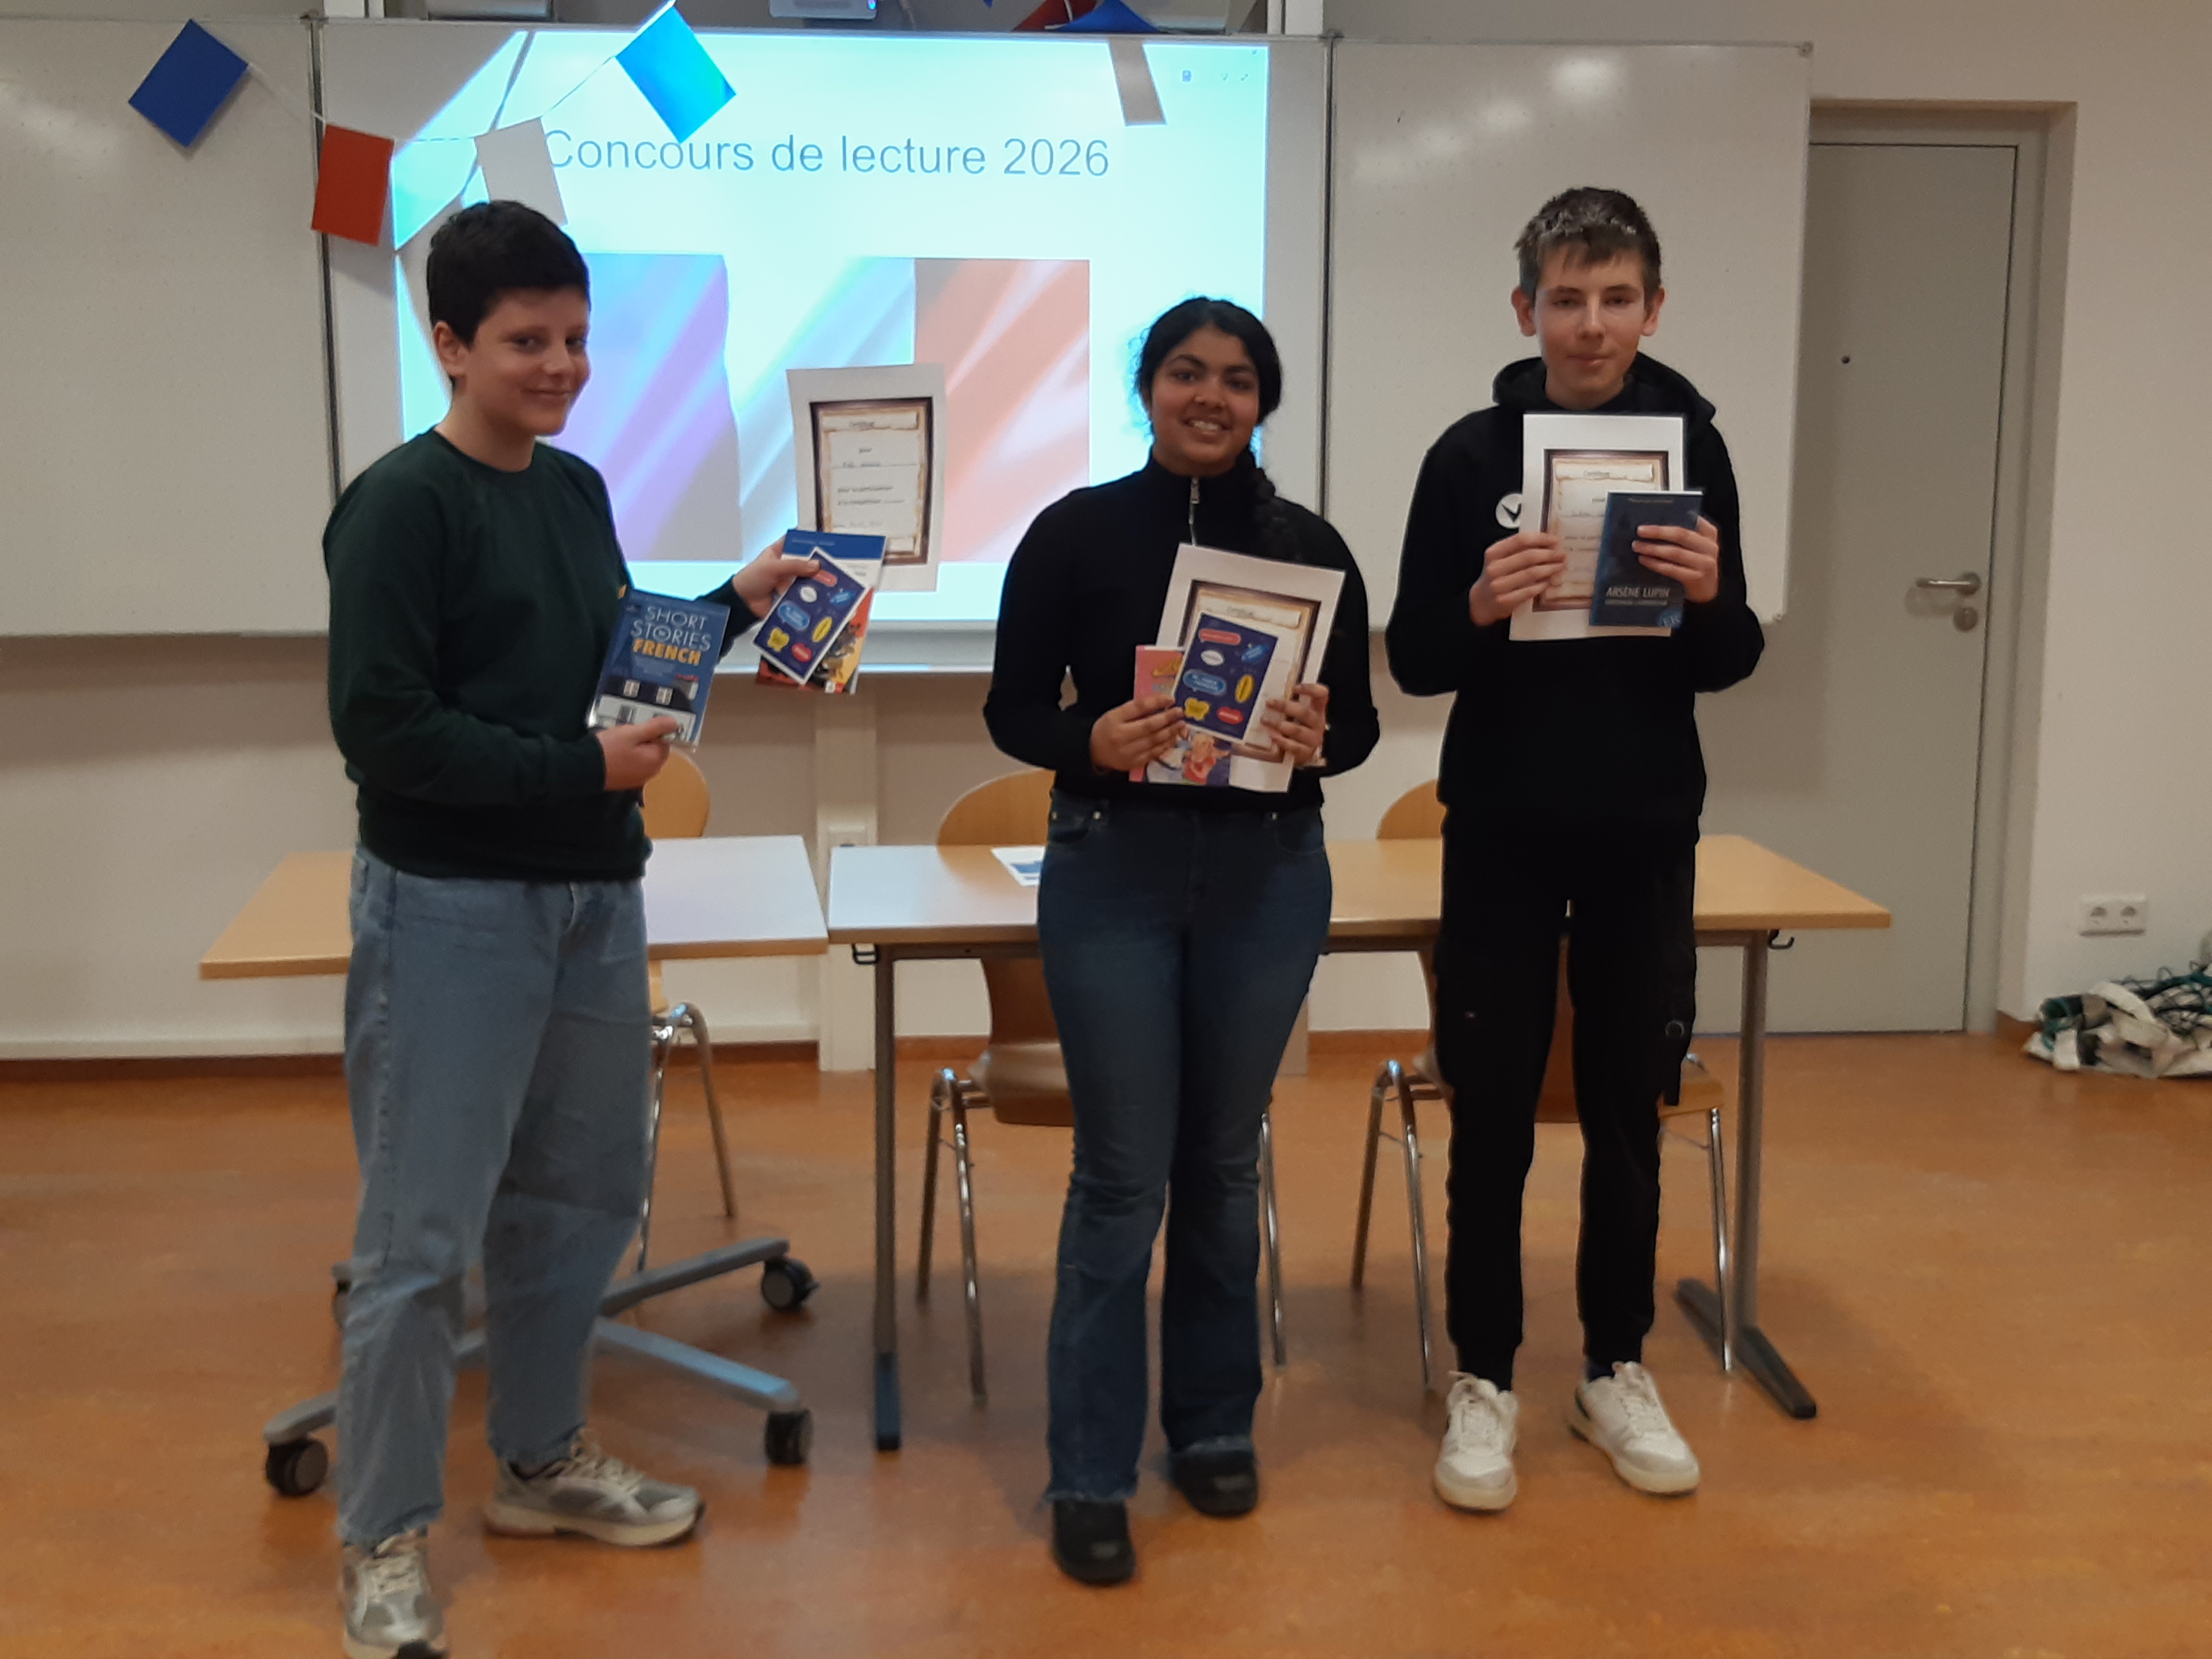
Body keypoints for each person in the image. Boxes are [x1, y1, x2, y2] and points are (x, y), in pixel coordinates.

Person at [322, 200, 817, 1659]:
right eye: (526, 342)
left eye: (578, 339)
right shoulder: (400, 506)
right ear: (449, 344)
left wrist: (732, 607)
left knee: (583, 1203)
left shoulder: (577, 488)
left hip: (599, 899)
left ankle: (539, 1463)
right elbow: (385, 732)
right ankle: (382, 1536)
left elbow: (609, 678)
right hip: (451, 907)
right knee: (421, 1242)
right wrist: (571, 774)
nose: (560, 367)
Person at [985, 298, 1379, 1585]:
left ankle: (1213, 1426)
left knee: (1220, 1160)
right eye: (1187, 373)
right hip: (1116, 869)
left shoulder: (1309, 546)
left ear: (1266, 401)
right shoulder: (1074, 531)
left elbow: (1361, 727)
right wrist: (1089, 739)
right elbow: (1012, 711)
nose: (1211, 396)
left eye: (1238, 379)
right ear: (1147, 387)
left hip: (1270, 875)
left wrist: (1322, 737)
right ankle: (1090, 1472)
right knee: (1120, 1176)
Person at [1385, 188, 1764, 1511]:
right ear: (1525, 309)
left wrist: (1709, 599)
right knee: (1491, 1115)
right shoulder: (1466, 455)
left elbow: (1730, 656)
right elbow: (1414, 656)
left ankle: (1615, 1368)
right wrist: (1480, 603)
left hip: (1644, 829)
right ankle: (1484, 1378)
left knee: (1626, 1113)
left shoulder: (1694, 450)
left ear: (1653, 308)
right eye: (1566, 298)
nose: (1591, 324)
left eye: (1616, 298)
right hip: (1501, 827)